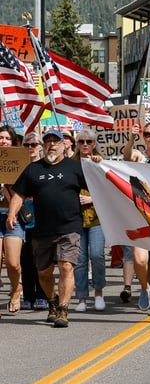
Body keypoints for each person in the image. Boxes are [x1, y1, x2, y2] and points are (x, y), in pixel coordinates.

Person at [5, 129, 88, 328]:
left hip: (70, 227)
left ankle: (63, 310)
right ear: (44, 145)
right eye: (48, 141)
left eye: (56, 141)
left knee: (66, 266)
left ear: (63, 145)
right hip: (42, 230)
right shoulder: (33, 169)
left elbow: (98, 187)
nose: (51, 144)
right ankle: (52, 301)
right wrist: (11, 213)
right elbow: (18, 195)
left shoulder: (75, 168)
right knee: (44, 273)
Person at [122, 122, 150, 315]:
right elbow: (126, 156)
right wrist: (132, 139)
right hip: (140, 214)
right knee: (140, 260)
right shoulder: (138, 156)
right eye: (147, 134)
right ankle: (144, 288)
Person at [73, 132, 107, 313]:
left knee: (97, 254)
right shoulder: (70, 164)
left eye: (89, 141)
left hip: (97, 218)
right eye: (81, 141)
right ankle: (82, 298)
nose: (85, 144)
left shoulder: (100, 163)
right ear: (77, 144)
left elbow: (109, 189)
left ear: (94, 144)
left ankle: (99, 293)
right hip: (75, 218)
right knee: (79, 260)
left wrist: (91, 199)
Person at [18, 132, 48, 311]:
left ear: (40, 147)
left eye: (34, 144)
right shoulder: (19, 167)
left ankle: (42, 295)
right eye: (27, 145)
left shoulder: (45, 166)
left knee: (41, 260)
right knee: (25, 260)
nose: (30, 148)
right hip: (23, 220)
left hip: (42, 220)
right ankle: (28, 296)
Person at [0, 125, 24, 315]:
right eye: (1, 138)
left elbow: (25, 194)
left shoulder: (19, 164)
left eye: (7, 139)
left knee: (13, 263)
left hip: (12, 216)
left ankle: (16, 289)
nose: (3, 141)